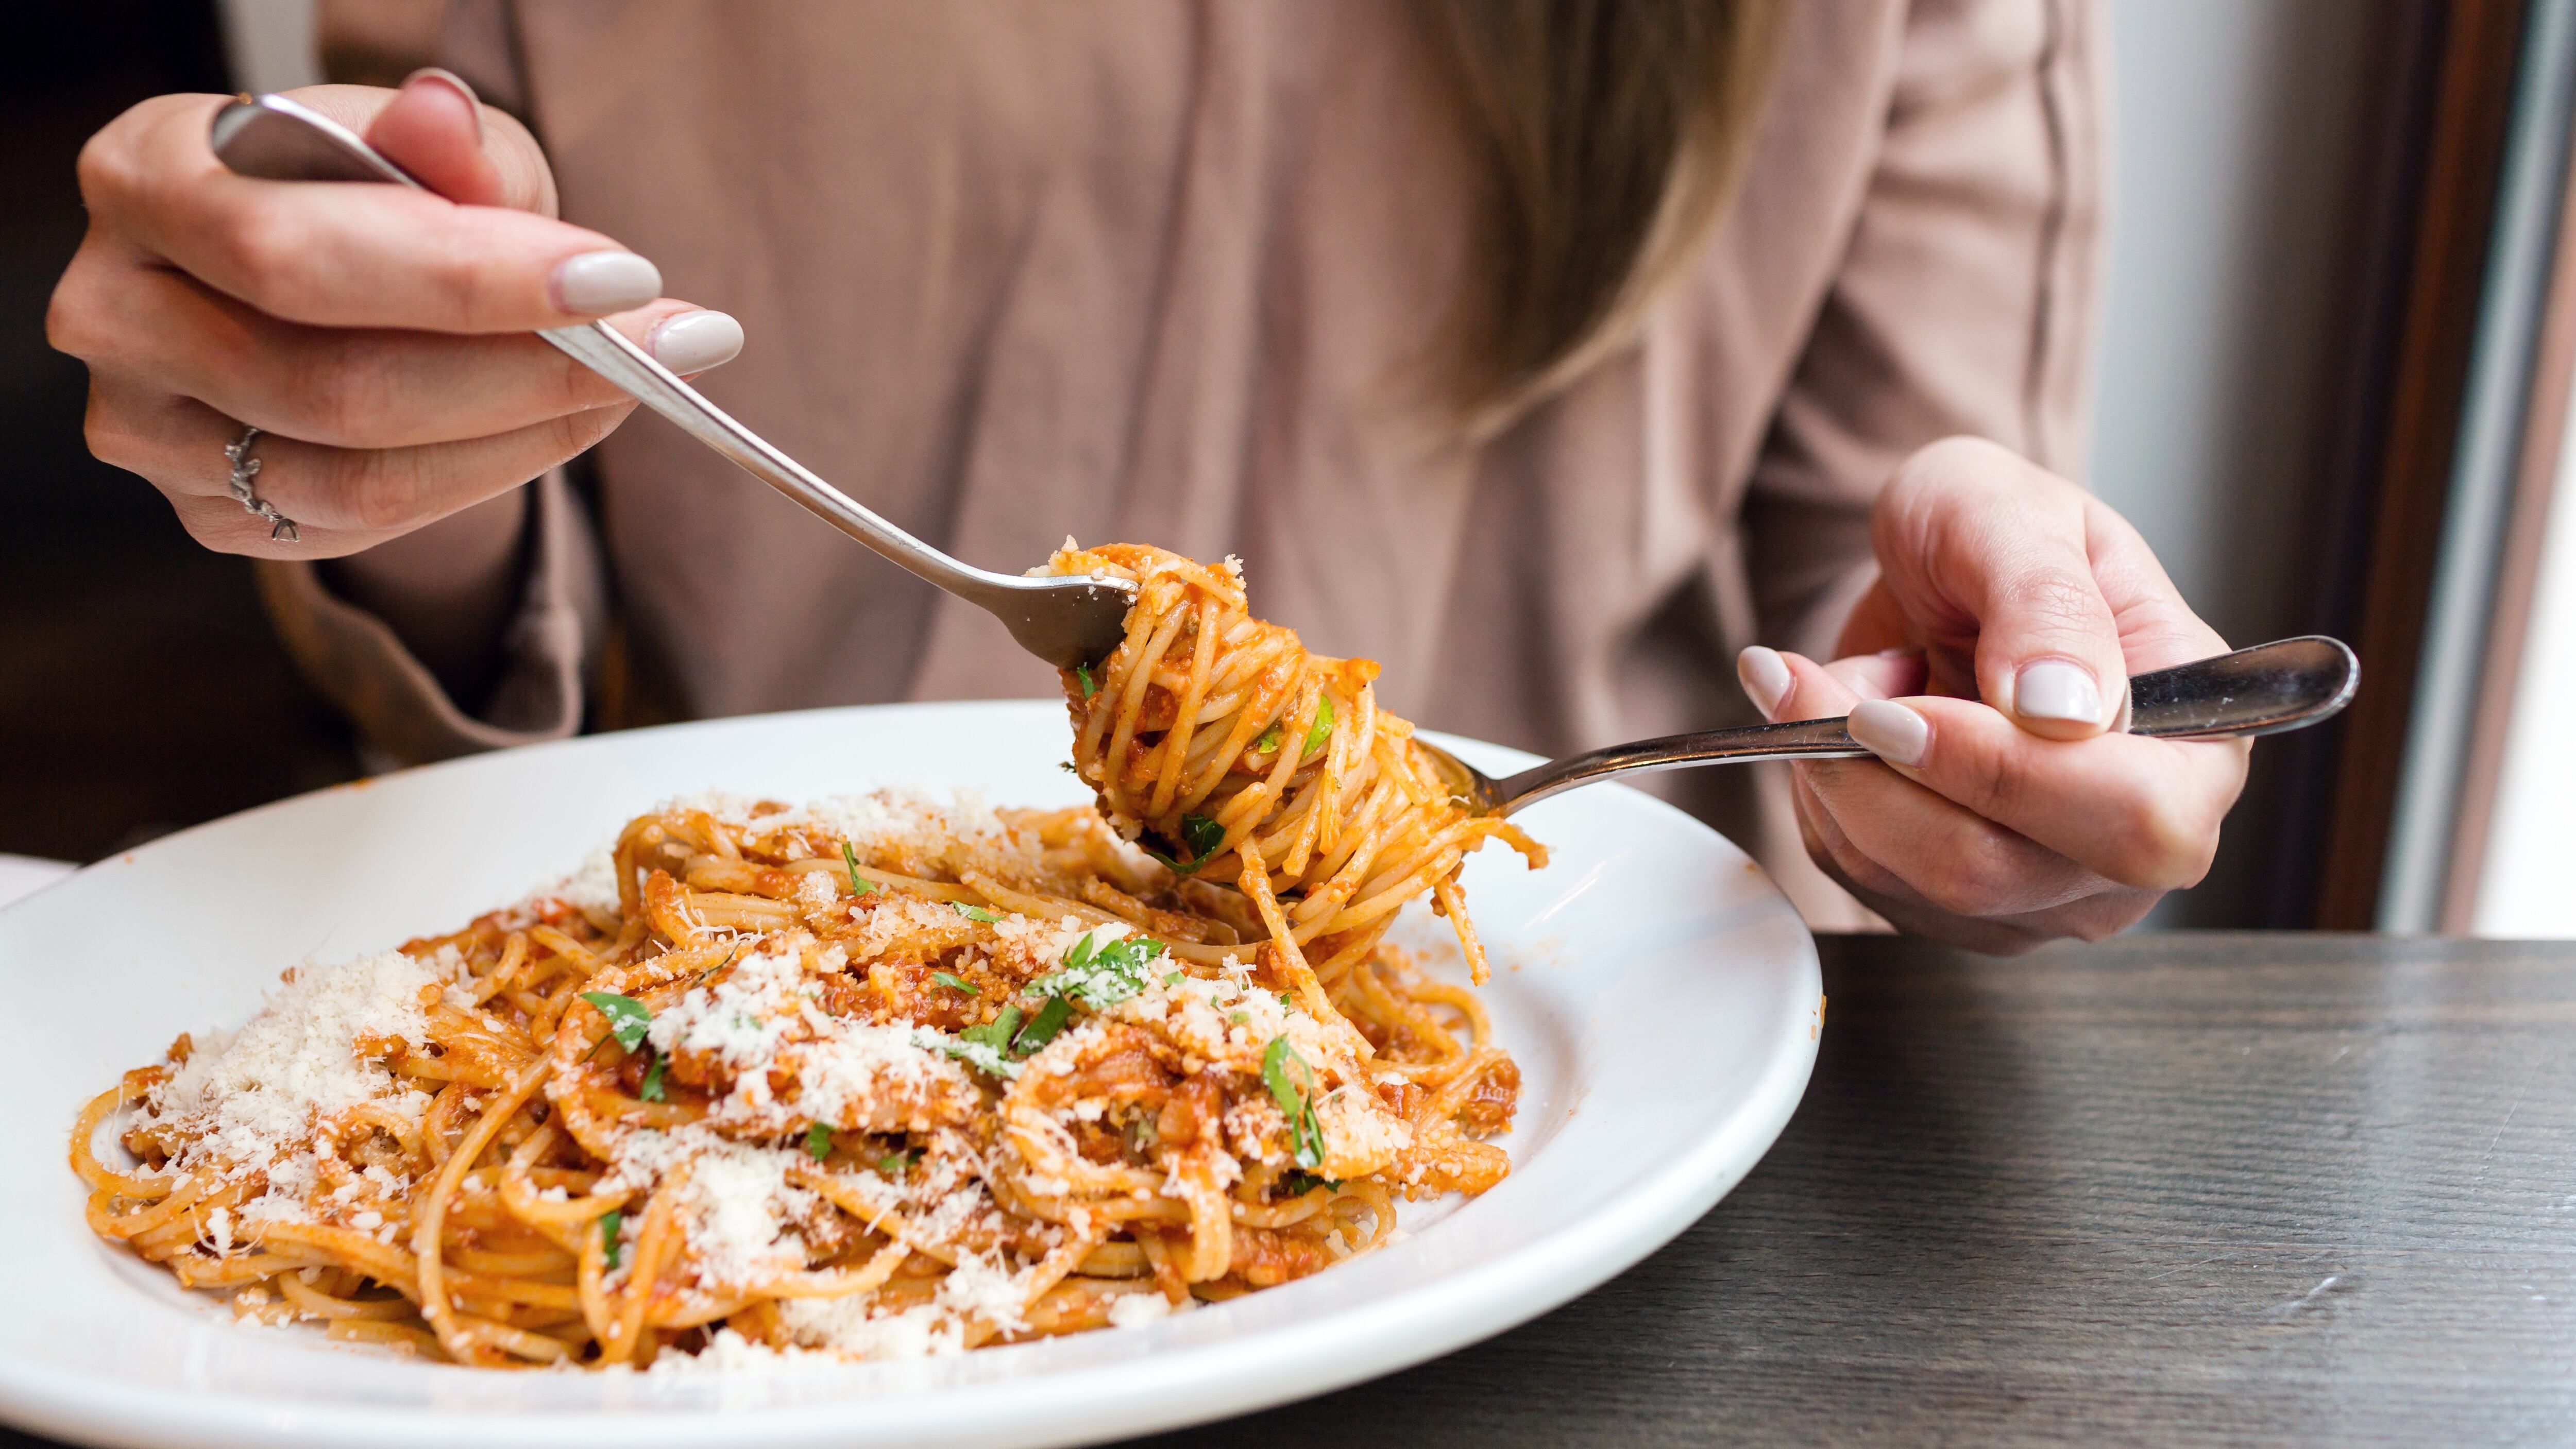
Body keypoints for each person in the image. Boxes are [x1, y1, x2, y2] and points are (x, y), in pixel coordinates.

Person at [48, 0, 2245, 952]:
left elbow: (1890, 615)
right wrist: (362, 414)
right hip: (768, 1019)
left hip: (1562, 1078)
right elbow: (472, 586)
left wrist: (1986, 766)